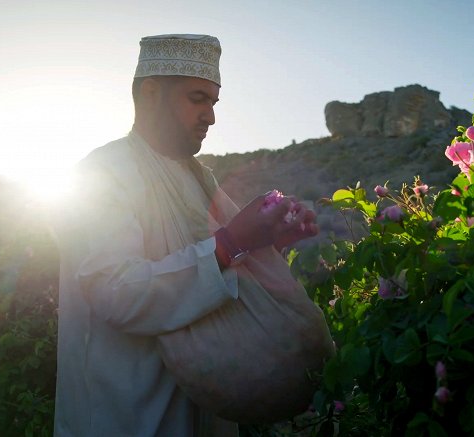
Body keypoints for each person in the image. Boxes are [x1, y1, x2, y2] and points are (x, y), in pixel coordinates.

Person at [52, 34, 320, 437]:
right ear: (151, 92)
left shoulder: (199, 177)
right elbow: (116, 291)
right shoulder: (104, 172)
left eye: (214, 103)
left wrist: (272, 239)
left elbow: (226, 260)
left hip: (201, 405)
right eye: (197, 98)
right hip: (124, 414)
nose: (210, 116)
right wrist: (232, 243)